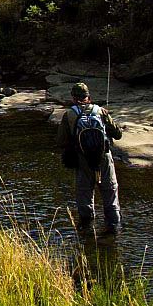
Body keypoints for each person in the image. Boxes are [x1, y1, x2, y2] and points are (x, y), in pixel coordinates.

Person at [56, 81, 123, 235]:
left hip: (82, 159)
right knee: (110, 191)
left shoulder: (69, 115)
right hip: (104, 158)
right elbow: (118, 134)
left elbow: (61, 142)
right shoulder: (100, 111)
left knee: (84, 194)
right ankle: (114, 229)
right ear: (89, 97)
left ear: (73, 98)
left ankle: (86, 230)